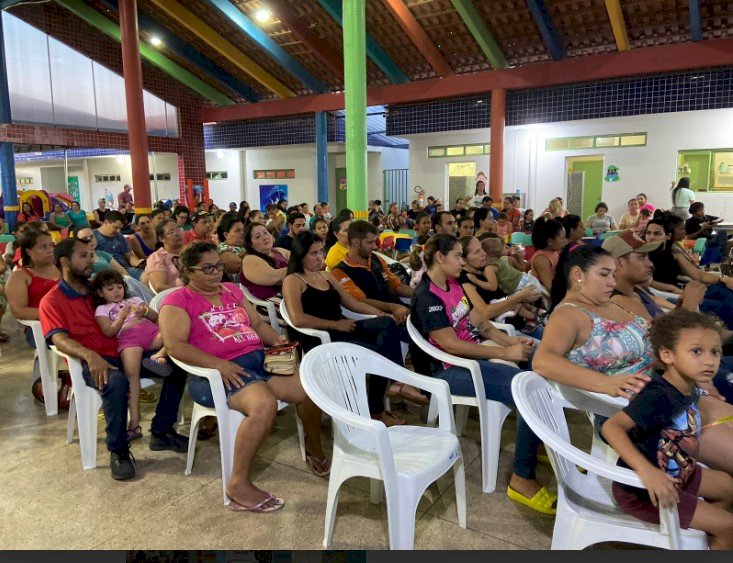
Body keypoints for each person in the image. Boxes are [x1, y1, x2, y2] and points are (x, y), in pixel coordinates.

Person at [160, 241, 329, 508]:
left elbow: (258, 323)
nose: (216, 273)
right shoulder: (178, 300)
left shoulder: (232, 290)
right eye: (207, 268)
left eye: (218, 266)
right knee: (264, 405)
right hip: (214, 374)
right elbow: (175, 346)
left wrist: (277, 341)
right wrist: (218, 364)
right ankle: (238, 483)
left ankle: (314, 447)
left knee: (308, 388)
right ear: (188, 271)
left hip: (256, 361)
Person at [410, 234, 555, 514]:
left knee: (539, 362)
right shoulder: (428, 297)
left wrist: (510, 342)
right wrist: (503, 354)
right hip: (446, 370)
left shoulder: (453, 284)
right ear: (440, 258)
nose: (462, 261)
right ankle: (522, 478)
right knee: (525, 389)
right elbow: (450, 345)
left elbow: (480, 323)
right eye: (457, 256)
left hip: (467, 357)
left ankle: (534, 440)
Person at [39, 238, 188, 480]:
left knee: (178, 363)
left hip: (126, 347)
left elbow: (140, 313)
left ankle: (161, 431)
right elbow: (57, 338)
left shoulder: (99, 287)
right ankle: (118, 450)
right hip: (94, 360)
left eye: (91, 254)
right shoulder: (52, 300)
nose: (91, 260)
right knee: (116, 381)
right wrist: (89, 355)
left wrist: (143, 313)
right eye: (84, 256)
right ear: (65, 261)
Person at [601, 310, 733, 549]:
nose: (709, 360)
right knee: (729, 526)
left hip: (679, 474)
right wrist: (647, 473)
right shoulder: (659, 395)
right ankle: (718, 531)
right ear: (667, 354)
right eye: (696, 351)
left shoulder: (688, 387)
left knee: (727, 486)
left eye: (715, 352)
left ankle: (702, 536)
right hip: (644, 491)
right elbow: (612, 428)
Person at [283, 231, 407, 426]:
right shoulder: (293, 281)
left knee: (387, 325)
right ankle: (377, 408)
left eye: (321, 252)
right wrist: (335, 325)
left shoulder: (325, 276)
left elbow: (352, 303)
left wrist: (382, 314)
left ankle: (397, 383)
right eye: (313, 254)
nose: (320, 257)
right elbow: (298, 319)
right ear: (300, 256)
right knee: (379, 351)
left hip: (342, 326)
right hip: (321, 336)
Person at [93, 270, 171, 440]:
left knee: (173, 334)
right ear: (100, 292)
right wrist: (121, 317)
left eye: (119, 287)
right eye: (110, 288)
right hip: (128, 339)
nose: (116, 291)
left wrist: (144, 312)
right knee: (132, 374)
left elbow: (155, 317)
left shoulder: (134, 300)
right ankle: (134, 419)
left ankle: (159, 355)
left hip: (150, 332)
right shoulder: (102, 309)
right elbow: (109, 332)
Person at [646, 213, 733, 329]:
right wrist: (672, 289)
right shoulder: (643, 255)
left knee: (725, 290)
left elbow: (698, 274)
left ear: (667, 236)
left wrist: (723, 279)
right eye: (648, 233)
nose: (651, 237)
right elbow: (646, 282)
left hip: (683, 291)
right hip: (672, 296)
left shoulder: (672, 251)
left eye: (656, 234)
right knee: (724, 305)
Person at [6, 229, 61, 346]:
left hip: (70, 319)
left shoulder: (62, 268)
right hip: (41, 325)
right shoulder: (20, 276)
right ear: (29, 251)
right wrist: (57, 314)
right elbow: (18, 311)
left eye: (51, 245)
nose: (50, 250)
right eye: (43, 247)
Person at [239, 223, 289, 300]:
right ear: (250, 244)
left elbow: (302, 262)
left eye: (265, 232)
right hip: (274, 302)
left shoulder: (279, 251)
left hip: (291, 292)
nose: (265, 237)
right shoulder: (249, 259)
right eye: (258, 236)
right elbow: (274, 277)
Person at [93, 211, 145, 280]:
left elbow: (130, 256)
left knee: (150, 275)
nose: (118, 231)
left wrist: (138, 262)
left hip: (127, 269)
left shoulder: (119, 237)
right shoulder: (93, 236)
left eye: (120, 228)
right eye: (115, 227)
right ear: (106, 222)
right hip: (108, 273)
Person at [144, 219, 184, 293]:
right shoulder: (157, 257)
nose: (178, 234)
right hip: (176, 296)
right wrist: (188, 290)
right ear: (161, 238)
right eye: (172, 232)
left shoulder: (187, 251)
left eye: (178, 229)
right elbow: (159, 287)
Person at [530, 217, 567, 292]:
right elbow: (550, 287)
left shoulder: (554, 251)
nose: (565, 241)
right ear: (550, 241)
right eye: (562, 238)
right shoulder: (541, 259)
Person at [216, 213, 246, 277]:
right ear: (226, 235)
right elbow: (243, 266)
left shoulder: (243, 245)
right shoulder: (223, 249)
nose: (242, 233)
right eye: (237, 231)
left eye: (243, 230)